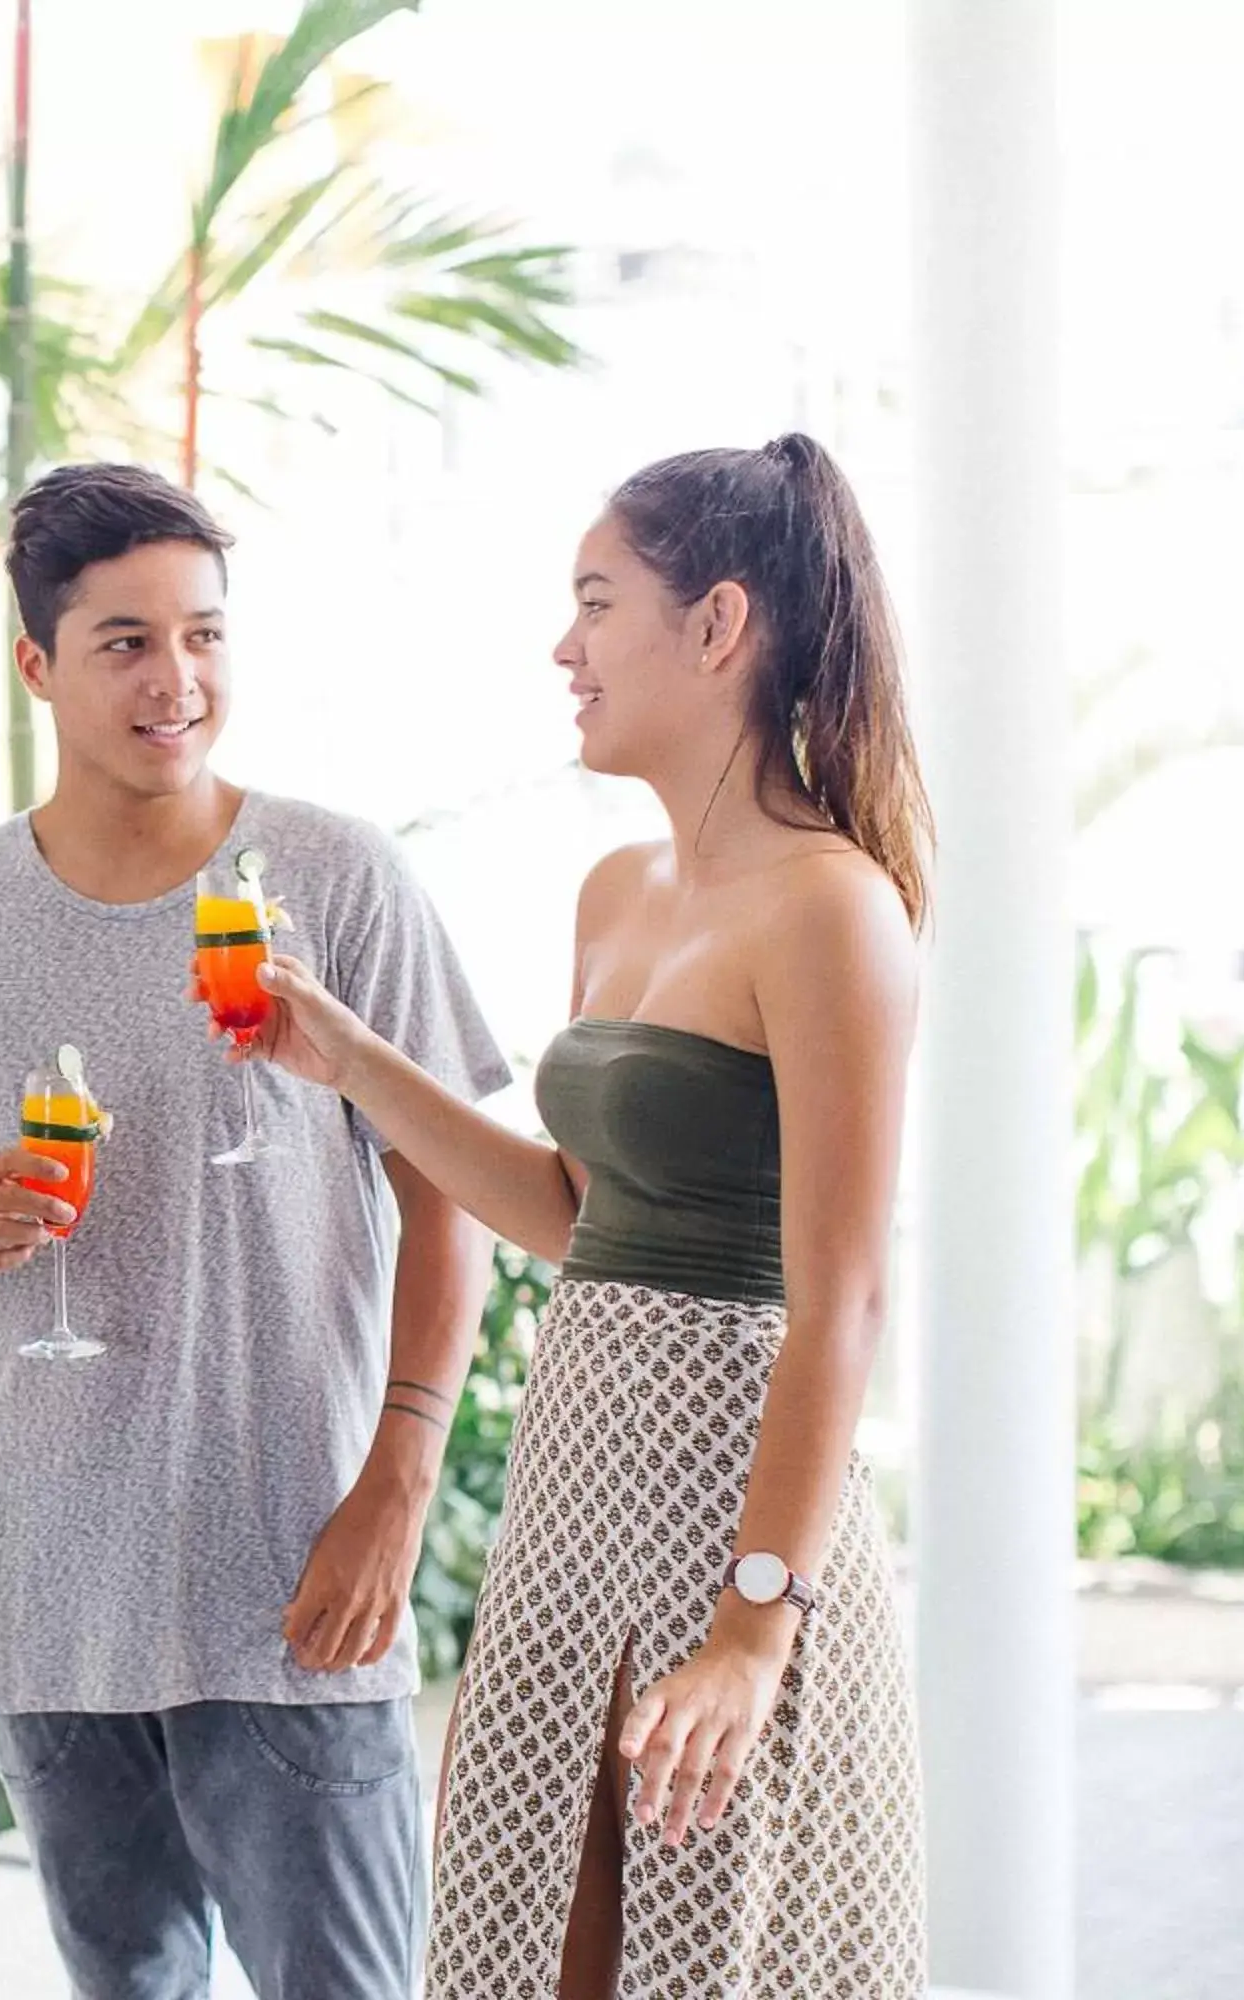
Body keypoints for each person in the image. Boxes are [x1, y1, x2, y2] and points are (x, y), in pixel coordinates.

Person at [0, 463, 507, 2000]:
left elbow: (451, 1193)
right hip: (52, 1591)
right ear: (37, 663)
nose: (176, 680)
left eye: (204, 634)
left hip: (295, 1579)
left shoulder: (337, 878)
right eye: (125, 642)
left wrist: (398, 1481)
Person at [245, 435, 933, 1996]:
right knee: (531, 1939)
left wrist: (758, 1625)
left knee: (701, 1949)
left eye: (598, 603)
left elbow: (841, 1303)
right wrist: (344, 1053)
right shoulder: (616, 892)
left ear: (718, 626)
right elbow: (570, 1213)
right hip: (576, 1496)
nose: (566, 647)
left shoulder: (834, 907)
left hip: (733, 1503)